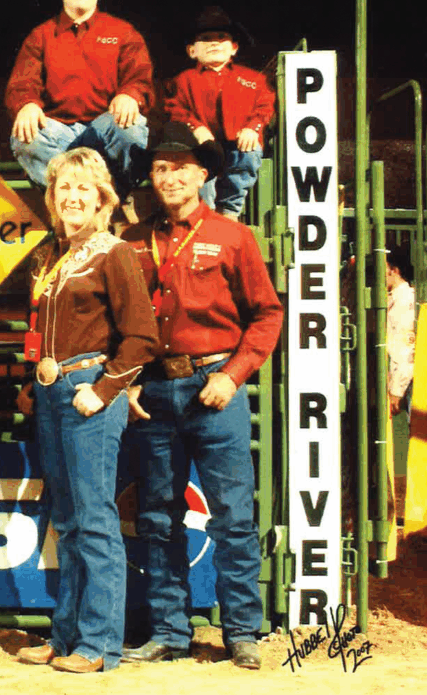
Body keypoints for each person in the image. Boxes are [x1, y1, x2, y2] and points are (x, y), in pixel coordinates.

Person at [120, 122, 283, 670]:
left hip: (215, 387)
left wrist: (233, 375)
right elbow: (124, 324)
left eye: (181, 167)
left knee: (233, 516)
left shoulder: (233, 236)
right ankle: (169, 631)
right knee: (159, 517)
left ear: (203, 174)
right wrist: (131, 381)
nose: (170, 177)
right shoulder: (135, 241)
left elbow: (267, 314)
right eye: (161, 168)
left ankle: (241, 631)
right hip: (156, 393)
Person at [15, 147, 158, 673]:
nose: (72, 197)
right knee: (69, 520)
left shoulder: (113, 252)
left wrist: (104, 389)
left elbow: (142, 337)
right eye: (63, 189)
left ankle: (98, 645)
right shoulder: (47, 256)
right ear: (52, 198)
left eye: (83, 189)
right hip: (52, 393)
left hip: (88, 392)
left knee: (95, 521)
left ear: (102, 199)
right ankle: (66, 635)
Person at [4, 0, 154, 192]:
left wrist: (130, 94)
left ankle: (115, 197)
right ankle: (79, 201)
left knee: (132, 126)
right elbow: (23, 82)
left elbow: (139, 77)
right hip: (58, 134)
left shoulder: (124, 32)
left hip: (104, 129)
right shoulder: (40, 35)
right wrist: (26, 103)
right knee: (24, 135)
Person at [164, 6, 275, 220]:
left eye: (221, 37)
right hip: (202, 146)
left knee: (249, 155)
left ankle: (229, 212)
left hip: (239, 143)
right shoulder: (183, 80)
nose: (214, 42)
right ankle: (205, 214)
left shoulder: (253, 79)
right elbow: (174, 108)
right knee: (198, 168)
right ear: (192, 51)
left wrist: (253, 128)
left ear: (234, 48)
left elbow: (265, 105)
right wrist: (196, 128)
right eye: (205, 38)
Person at [386, 246, 416, 416]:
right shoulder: (393, 298)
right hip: (400, 379)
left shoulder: (405, 300)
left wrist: (397, 390)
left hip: (407, 381)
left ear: (394, 271)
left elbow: (407, 351)